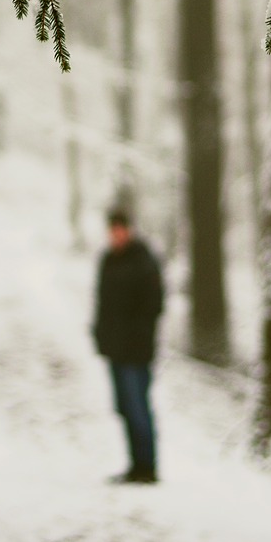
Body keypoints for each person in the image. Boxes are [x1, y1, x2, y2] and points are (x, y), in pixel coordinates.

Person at [92, 207, 164, 484]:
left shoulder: (144, 261)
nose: (116, 234)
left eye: (120, 229)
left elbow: (154, 303)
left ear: (129, 229)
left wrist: (140, 334)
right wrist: (100, 335)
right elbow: (102, 303)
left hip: (137, 349)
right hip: (115, 349)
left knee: (138, 407)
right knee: (123, 407)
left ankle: (148, 467)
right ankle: (135, 465)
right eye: (112, 230)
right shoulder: (108, 260)